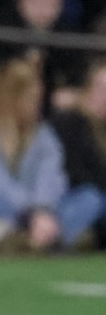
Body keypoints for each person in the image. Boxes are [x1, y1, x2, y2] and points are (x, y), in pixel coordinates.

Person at [0, 57, 101, 253]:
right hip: (5, 209)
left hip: (42, 213)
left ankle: (33, 239)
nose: (37, 106)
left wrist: (43, 211)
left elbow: (52, 177)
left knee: (91, 198)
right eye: (31, 99)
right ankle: (49, 239)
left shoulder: (43, 134)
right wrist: (29, 215)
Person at [50, 60, 106, 247]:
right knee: (91, 199)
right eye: (100, 88)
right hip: (69, 195)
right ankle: (53, 240)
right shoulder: (71, 121)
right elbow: (73, 173)